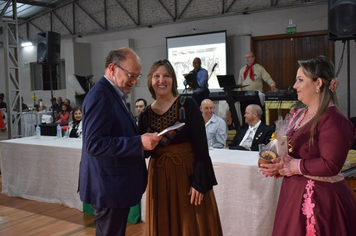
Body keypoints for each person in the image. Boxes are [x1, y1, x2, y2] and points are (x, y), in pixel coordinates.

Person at [259, 56, 356, 236]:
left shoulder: (334, 120)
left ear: (318, 82)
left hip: (320, 202)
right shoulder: (299, 115)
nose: (295, 85)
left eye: (300, 80)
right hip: (293, 195)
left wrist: (293, 166)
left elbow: (330, 165)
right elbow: (290, 151)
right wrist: (277, 166)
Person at [79, 47, 161, 236]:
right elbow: (95, 144)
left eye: (137, 76)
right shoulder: (101, 96)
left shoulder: (111, 93)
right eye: (131, 75)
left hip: (111, 185)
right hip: (108, 187)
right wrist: (138, 142)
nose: (134, 81)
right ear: (112, 68)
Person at [138, 59, 222, 236]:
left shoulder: (187, 104)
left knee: (191, 225)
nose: (162, 80)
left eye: (166, 76)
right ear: (150, 81)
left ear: (173, 81)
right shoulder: (145, 114)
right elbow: (143, 152)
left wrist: (199, 183)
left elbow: (201, 147)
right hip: (159, 176)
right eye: (157, 76)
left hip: (187, 174)